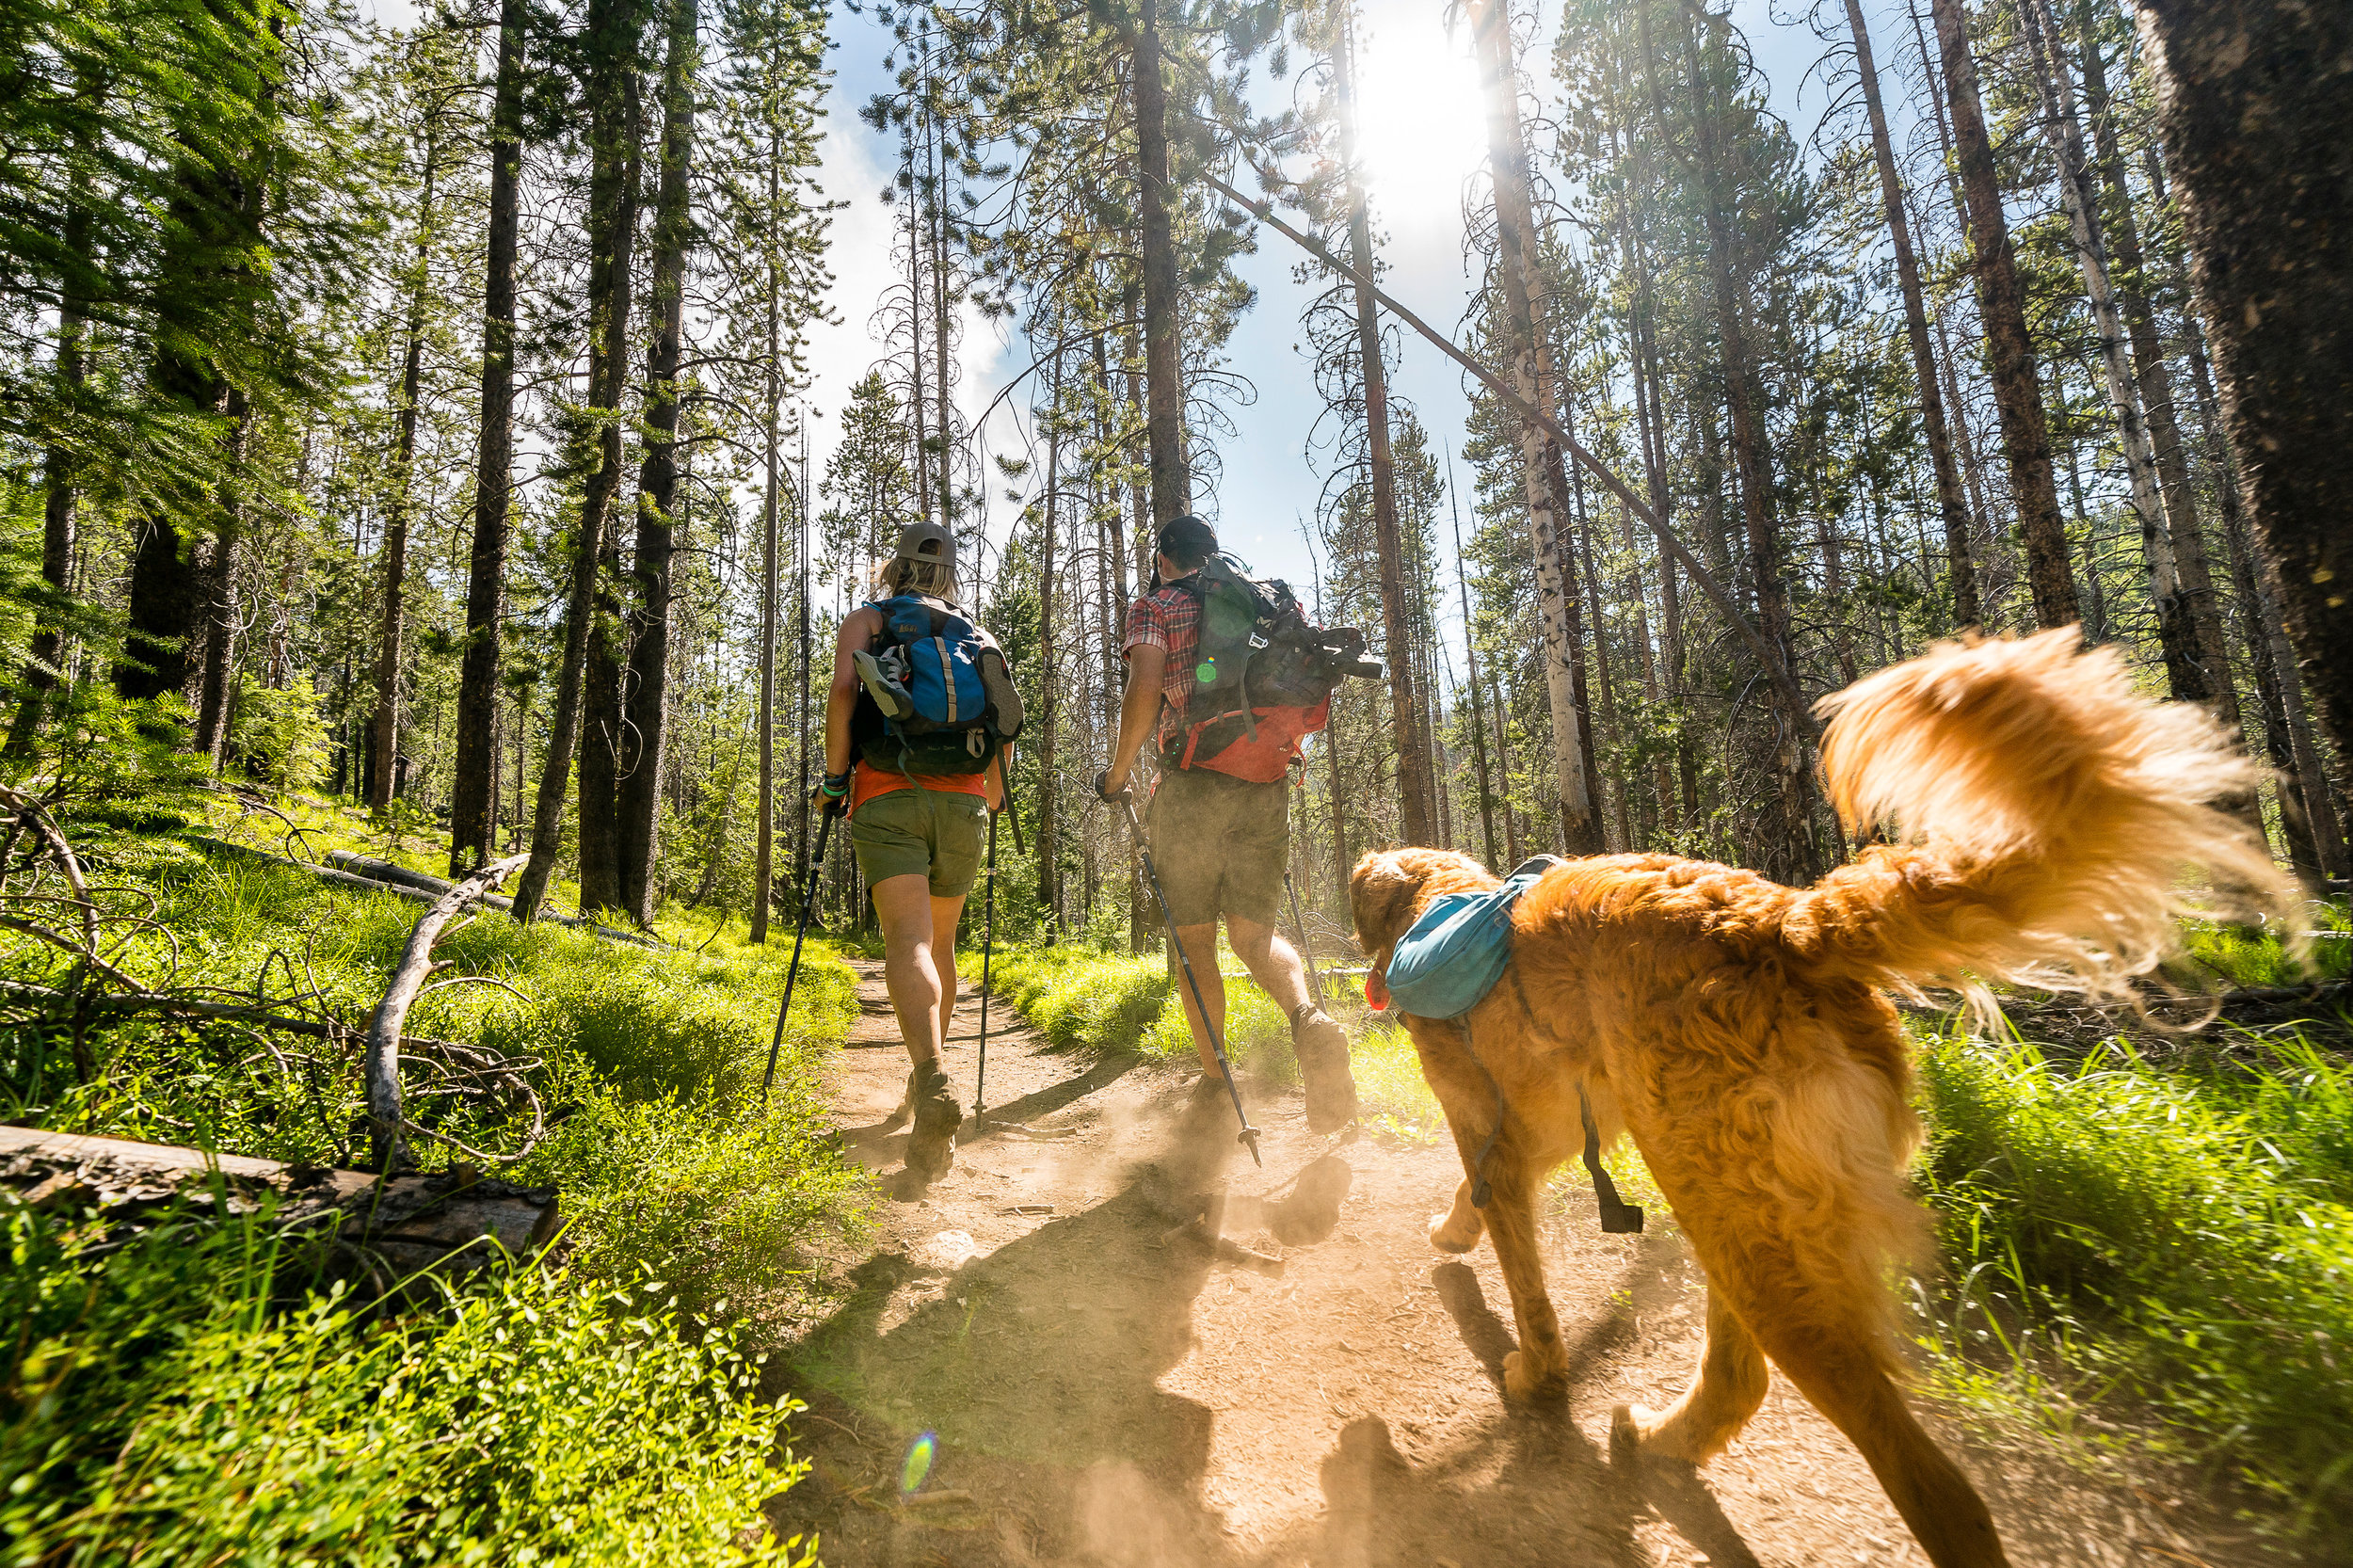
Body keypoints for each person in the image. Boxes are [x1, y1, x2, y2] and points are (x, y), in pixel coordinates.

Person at [1099, 514, 1358, 1136]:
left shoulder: (1156, 606)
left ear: (1164, 558)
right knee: (1254, 935)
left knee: (1195, 947)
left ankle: (1217, 1086)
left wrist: (1117, 775)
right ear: (1214, 552)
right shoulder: (1268, 598)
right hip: (1267, 783)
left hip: (1192, 787)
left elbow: (1145, 691)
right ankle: (1307, 1018)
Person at [817, 520, 1014, 1186]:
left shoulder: (868, 621)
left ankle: (930, 1076)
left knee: (907, 941)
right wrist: (988, 794)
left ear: (892, 566)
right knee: (944, 945)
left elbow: (845, 695)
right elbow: (1001, 722)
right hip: (962, 799)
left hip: (887, 792)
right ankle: (928, 1078)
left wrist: (834, 780)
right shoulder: (975, 635)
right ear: (948, 573)